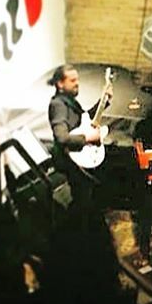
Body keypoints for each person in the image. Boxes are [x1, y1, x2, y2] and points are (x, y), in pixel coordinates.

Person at [47, 64, 111, 208]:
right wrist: (88, 138)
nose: (77, 83)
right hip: (70, 164)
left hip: (77, 162)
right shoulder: (58, 105)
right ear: (60, 84)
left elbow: (85, 120)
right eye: (72, 80)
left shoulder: (69, 102)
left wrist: (104, 101)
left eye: (77, 80)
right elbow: (62, 138)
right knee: (82, 205)